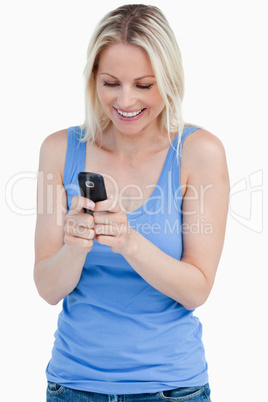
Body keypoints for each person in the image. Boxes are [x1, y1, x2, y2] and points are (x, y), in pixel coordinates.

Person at [34, 4, 229, 402]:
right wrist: (74, 247)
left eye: (144, 85)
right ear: (93, 80)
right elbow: (47, 288)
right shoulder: (59, 150)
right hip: (72, 385)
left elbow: (197, 290)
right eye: (111, 83)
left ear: (170, 80)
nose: (125, 100)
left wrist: (129, 242)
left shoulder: (199, 152)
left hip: (173, 388)